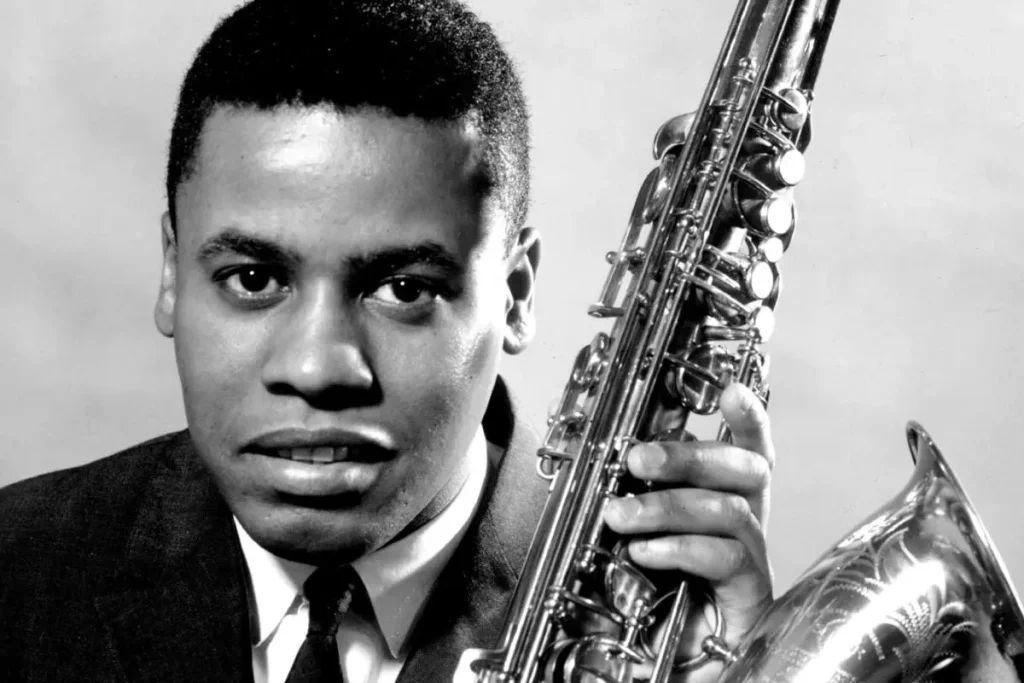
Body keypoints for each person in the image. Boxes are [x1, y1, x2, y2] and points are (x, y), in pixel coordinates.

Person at [0, 1, 776, 682]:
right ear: (172, 271)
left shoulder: (655, 626)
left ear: (514, 294)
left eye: (404, 288)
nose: (319, 368)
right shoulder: (19, 569)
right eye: (253, 278)